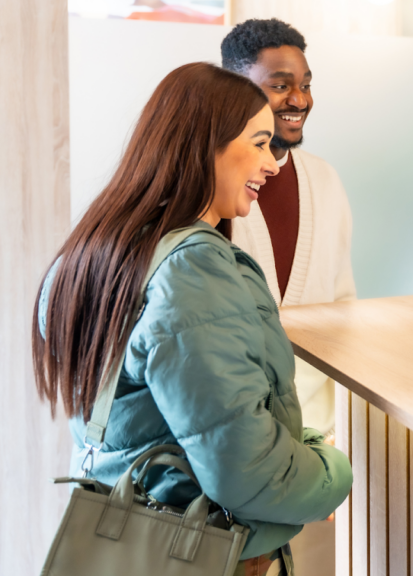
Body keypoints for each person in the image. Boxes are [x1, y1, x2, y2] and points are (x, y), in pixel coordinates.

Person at [32, 62, 352, 575]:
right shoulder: (192, 270)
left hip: (123, 539)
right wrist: (333, 465)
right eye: (259, 143)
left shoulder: (99, 252)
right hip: (206, 552)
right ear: (207, 145)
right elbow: (251, 476)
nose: (272, 164)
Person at [221, 18, 355, 437]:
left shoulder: (325, 180)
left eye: (306, 84)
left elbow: (343, 308)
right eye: (280, 85)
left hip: (319, 432)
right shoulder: (213, 192)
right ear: (233, 88)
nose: (299, 99)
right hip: (236, 433)